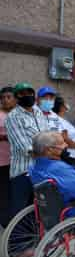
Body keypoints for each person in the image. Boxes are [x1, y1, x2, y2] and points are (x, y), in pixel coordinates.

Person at [5, 82, 49, 219]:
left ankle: (37, 238)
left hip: (42, 168)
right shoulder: (13, 117)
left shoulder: (38, 112)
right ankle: (17, 240)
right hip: (23, 171)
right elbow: (25, 148)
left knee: (40, 208)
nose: (27, 96)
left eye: (29, 93)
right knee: (20, 210)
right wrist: (51, 152)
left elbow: (47, 134)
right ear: (17, 97)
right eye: (22, 94)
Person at [0, 87, 16, 227]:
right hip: (2, 162)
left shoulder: (19, 115)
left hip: (17, 162)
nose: (5, 100)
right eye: (3, 97)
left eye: (9, 97)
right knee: (4, 194)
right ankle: (5, 223)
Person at [52, 96, 75, 166]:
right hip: (68, 156)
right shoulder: (58, 121)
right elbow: (64, 139)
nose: (67, 104)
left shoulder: (63, 119)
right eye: (65, 103)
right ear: (61, 107)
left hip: (72, 154)